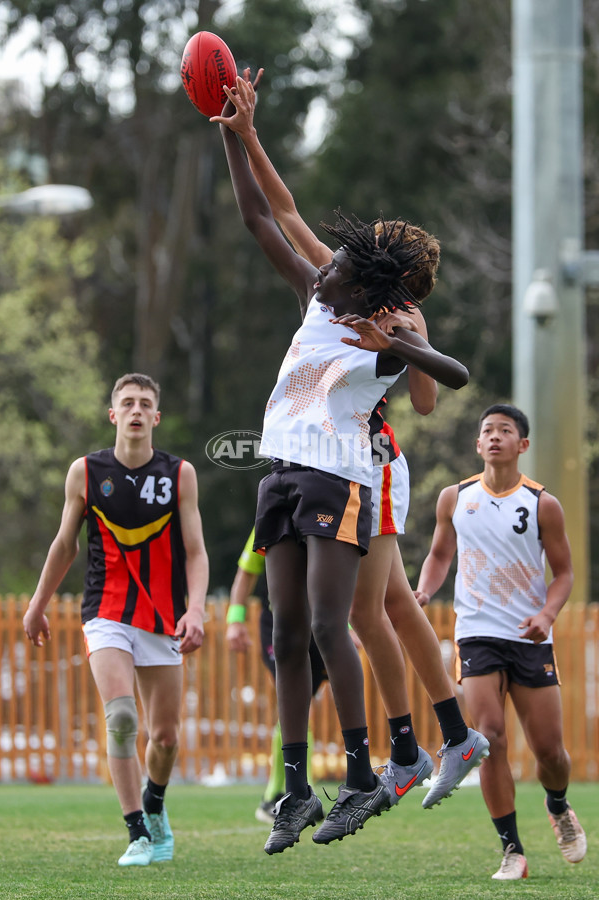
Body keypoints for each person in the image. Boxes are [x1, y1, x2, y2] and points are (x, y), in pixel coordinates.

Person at [214, 73, 489, 813]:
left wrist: (406, 345)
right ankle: (440, 738)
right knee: (379, 609)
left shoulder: (394, 317)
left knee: (368, 615)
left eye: (367, 248)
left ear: (389, 279)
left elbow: (429, 398)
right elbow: (279, 211)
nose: (340, 254)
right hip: (329, 462)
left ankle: (409, 750)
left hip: (368, 461)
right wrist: (244, 134)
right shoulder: (330, 288)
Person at [23, 373, 209, 868]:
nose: (135, 410)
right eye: (127, 403)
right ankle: (137, 832)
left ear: (156, 417)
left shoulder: (179, 474)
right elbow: (64, 545)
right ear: (113, 415)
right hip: (105, 612)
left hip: (162, 618)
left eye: (145, 403)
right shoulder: (85, 472)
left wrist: (195, 608)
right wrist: (38, 603)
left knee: (165, 737)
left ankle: (154, 804)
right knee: (123, 718)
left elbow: (196, 551)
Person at [415, 403, 587, 880]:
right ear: (478, 444)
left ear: (522, 444)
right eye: (487, 430)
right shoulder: (454, 498)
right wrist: (424, 590)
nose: (494, 436)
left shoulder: (542, 503)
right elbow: (439, 555)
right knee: (488, 739)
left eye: (505, 430)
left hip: (529, 636)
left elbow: (564, 573)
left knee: (550, 752)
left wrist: (547, 614)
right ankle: (512, 850)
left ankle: (558, 806)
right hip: (476, 634)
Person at [226, 527, 328, 823]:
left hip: (320, 624)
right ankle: (286, 792)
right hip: (278, 622)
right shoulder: (271, 517)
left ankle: (284, 794)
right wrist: (235, 619)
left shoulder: (329, 515)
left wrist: (348, 625)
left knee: (303, 705)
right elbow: (247, 571)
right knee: (296, 702)